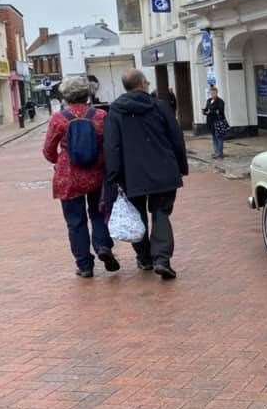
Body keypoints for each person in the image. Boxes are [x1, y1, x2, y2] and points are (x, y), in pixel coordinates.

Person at [104, 69, 188, 280]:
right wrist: (180, 166)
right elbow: (176, 137)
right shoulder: (160, 106)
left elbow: (112, 145)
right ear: (142, 84)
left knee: (137, 215)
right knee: (161, 213)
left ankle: (144, 258)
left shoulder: (116, 110)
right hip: (163, 169)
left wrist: (114, 175)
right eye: (147, 82)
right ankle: (161, 259)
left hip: (131, 173)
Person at [42, 76, 119, 278]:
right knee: (99, 213)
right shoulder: (101, 116)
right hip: (96, 173)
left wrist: (59, 160)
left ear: (66, 96)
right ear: (87, 94)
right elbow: (110, 145)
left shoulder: (59, 119)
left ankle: (84, 265)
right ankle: (103, 246)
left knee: (75, 221)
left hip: (69, 177)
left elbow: (48, 150)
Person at [202, 86, 226, 159]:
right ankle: (216, 152)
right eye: (211, 93)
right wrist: (204, 111)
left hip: (218, 122)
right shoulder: (209, 100)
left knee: (219, 137)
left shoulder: (220, 101)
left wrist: (210, 111)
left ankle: (220, 153)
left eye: (214, 93)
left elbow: (220, 111)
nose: (212, 94)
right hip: (210, 122)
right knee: (214, 138)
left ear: (216, 93)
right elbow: (206, 109)